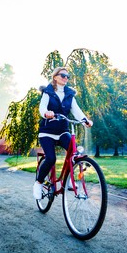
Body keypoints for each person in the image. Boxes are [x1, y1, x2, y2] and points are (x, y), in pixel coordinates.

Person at [33, 67, 93, 199]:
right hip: (47, 132)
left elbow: (76, 110)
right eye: (62, 75)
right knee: (51, 158)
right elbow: (42, 108)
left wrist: (85, 121)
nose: (65, 78)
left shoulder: (69, 94)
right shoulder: (48, 91)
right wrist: (46, 113)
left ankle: (70, 179)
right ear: (55, 77)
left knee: (75, 153)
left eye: (67, 76)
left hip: (62, 131)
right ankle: (38, 183)